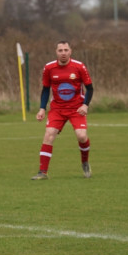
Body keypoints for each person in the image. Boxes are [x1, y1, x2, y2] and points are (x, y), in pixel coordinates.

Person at [33, 40, 94, 180]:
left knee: (82, 136)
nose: (63, 53)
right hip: (57, 109)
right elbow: (45, 89)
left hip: (76, 109)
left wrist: (85, 105)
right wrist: (42, 109)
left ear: (70, 51)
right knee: (48, 134)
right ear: (56, 52)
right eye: (60, 50)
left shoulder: (79, 67)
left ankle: (85, 162)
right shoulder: (49, 68)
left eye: (66, 50)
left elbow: (90, 88)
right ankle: (43, 172)